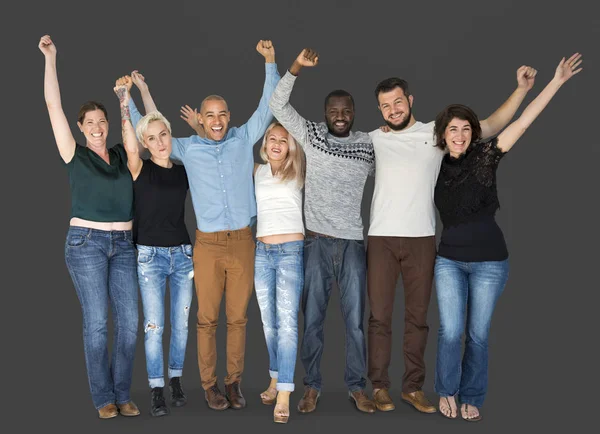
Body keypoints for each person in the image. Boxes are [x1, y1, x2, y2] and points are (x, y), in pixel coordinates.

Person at [367, 64, 539, 413]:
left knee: (418, 319)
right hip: (381, 237)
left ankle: (413, 388)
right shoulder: (375, 137)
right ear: (380, 111)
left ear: (410, 100)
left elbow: (489, 125)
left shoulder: (436, 134)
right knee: (379, 318)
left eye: (398, 102)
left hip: (422, 238)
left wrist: (521, 90)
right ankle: (380, 386)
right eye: (386, 106)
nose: (393, 110)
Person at [128, 40, 280, 410]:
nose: (216, 121)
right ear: (201, 116)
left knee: (239, 318)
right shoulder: (186, 148)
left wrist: (270, 62)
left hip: (244, 240)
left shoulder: (245, 138)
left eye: (222, 114)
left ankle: (233, 384)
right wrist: (129, 97)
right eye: (209, 115)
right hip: (208, 244)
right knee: (207, 319)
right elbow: (151, 130)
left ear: (229, 116)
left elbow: (269, 104)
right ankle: (210, 386)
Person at [433, 53, 582, 422]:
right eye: (453, 129)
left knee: (478, 336)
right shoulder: (430, 164)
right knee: (451, 332)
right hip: (448, 261)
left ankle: (471, 395)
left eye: (466, 128)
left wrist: (556, 81)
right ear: (442, 135)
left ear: (474, 133)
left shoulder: (487, 155)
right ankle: (446, 390)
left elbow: (523, 121)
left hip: (490, 264)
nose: (460, 135)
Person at [269, 49, 376, 413]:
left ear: (354, 113)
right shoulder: (311, 135)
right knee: (312, 319)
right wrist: (296, 68)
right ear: (325, 113)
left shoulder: (368, 143)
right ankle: (311, 386)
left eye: (346, 111)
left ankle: (356, 387)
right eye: (334, 111)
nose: (340, 117)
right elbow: (278, 104)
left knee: (356, 324)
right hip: (314, 242)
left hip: (352, 244)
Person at [39, 35, 139, 419]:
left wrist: (123, 103)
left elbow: (135, 149)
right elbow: (52, 105)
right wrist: (51, 58)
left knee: (128, 323)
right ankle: (103, 398)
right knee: (97, 323)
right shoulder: (74, 154)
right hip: (86, 244)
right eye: (90, 123)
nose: (97, 128)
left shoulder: (120, 154)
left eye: (102, 122)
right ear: (81, 127)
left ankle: (123, 392)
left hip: (125, 243)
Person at [114, 73, 194, 417]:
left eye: (164, 136)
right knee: (154, 326)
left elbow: (155, 120)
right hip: (149, 256)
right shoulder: (138, 168)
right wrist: (124, 101)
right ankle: (157, 387)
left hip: (183, 255)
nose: (160, 142)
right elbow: (135, 134)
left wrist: (146, 91)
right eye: (153, 138)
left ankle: (176, 378)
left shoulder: (183, 169)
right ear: (144, 143)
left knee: (181, 323)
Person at [253, 122, 306, 423]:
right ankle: (275, 377)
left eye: (282, 140)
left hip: (289, 252)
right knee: (268, 322)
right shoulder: (257, 171)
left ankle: (284, 390)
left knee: (286, 323)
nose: (276, 144)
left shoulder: (297, 167)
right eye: (271, 139)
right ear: (265, 142)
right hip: (262, 252)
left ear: (290, 146)